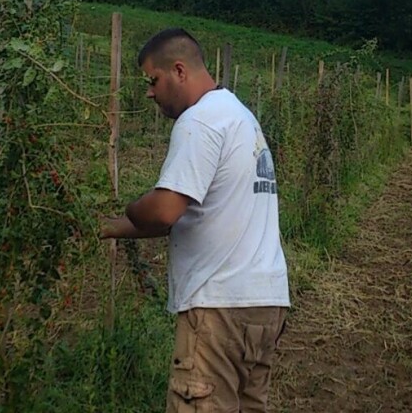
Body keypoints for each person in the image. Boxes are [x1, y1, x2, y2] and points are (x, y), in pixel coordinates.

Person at [100, 28, 290, 412]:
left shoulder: (199, 121)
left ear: (180, 71)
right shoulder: (238, 116)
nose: (149, 92)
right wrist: (109, 227)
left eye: (153, 80)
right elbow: (189, 214)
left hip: (219, 308)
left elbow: (164, 211)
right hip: (263, 304)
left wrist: (133, 207)